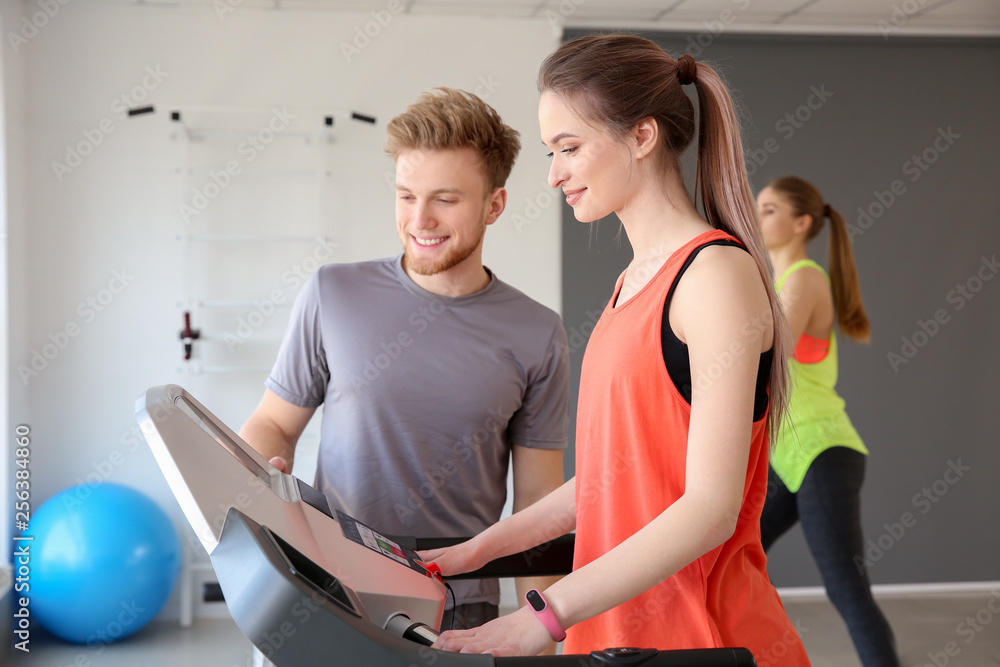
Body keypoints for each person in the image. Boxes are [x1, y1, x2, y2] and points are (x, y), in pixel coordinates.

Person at [420, 35, 810, 665]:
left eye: (569, 149)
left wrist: (546, 615)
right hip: (616, 639)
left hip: (701, 641)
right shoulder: (632, 283)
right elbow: (609, 481)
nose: (553, 174)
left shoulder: (712, 277)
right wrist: (474, 551)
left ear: (642, 136)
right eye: (551, 152)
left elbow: (711, 508)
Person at [239, 88, 569, 635]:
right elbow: (274, 423)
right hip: (331, 586)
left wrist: (550, 631)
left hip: (458, 605)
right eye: (406, 195)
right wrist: (257, 477)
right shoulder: (332, 293)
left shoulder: (538, 333)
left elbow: (537, 504)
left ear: (495, 205)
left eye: (446, 198)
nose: (421, 219)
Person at [756, 177, 899, 667]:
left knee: (846, 590)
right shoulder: (777, 282)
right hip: (788, 455)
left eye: (769, 209)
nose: (757, 216)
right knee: (729, 558)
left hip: (821, 450)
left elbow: (765, 356)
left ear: (801, 224)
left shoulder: (804, 278)